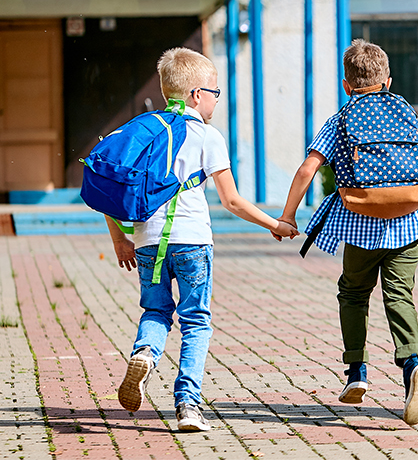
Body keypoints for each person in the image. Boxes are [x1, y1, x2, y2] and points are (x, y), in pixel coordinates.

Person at [276, 39, 418, 426]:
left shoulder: (339, 120)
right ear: (388, 81)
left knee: (353, 292)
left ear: (346, 85)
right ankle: (413, 361)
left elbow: (307, 169)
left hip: (360, 224)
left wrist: (287, 216)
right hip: (409, 221)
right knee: (399, 294)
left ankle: (356, 371)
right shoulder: (407, 115)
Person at [106, 47, 297, 433]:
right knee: (195, 321)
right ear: (196, 95)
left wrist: (120, 239)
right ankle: (188, 406)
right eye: (215, 92)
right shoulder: (207, 136)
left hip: (146, 240)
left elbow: (107, 184)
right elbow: (232, 201)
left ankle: (145, 353)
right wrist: (274, 224)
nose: (216, 100)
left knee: (156, 311)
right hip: (192, 241)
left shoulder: (142, 132)